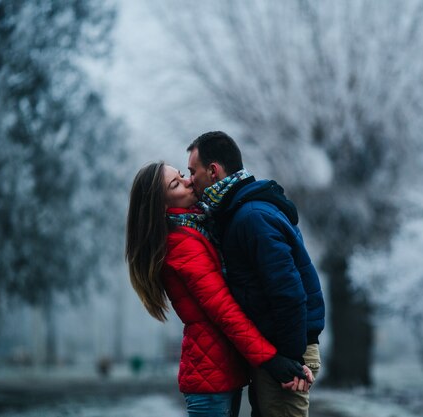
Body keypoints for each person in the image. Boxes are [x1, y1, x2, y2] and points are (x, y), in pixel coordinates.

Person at [125, 162, 312, 417]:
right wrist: (270, 359)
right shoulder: (181, 245)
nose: (189, 181)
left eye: (182, 175)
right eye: (176, 184)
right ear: (162, 206)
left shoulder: (196, 228)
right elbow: (224, 309)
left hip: (220, 371)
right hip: (210, 377)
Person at [187, 132, 326, 417]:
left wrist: (287, 361)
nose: (190, 180)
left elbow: (287, 291)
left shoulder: (251, 217)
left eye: (192, 171)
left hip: (288, 354)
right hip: (278, 351)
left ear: (213, 171)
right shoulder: (239, 212)